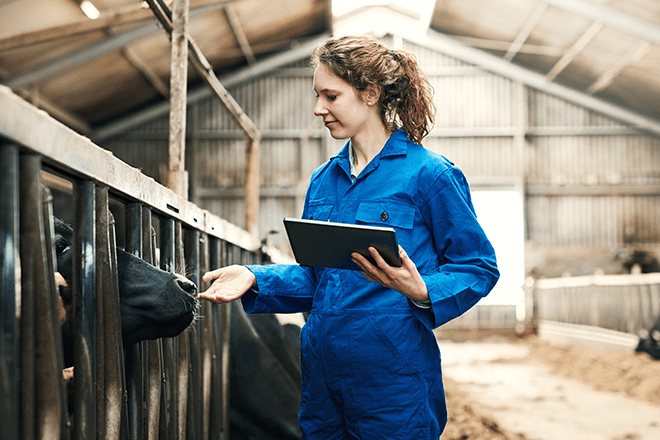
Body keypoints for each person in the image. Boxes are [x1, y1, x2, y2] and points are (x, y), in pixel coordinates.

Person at [199, 34, 499, 439]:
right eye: (317, 95)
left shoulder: (429, 174)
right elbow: (317, 279)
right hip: (322, 376)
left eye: (331, 96)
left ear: (370, 94)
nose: (318, 108)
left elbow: (478, 266)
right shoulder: (324, 180)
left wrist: (422, 288)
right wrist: (256, 277)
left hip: (392, 378)